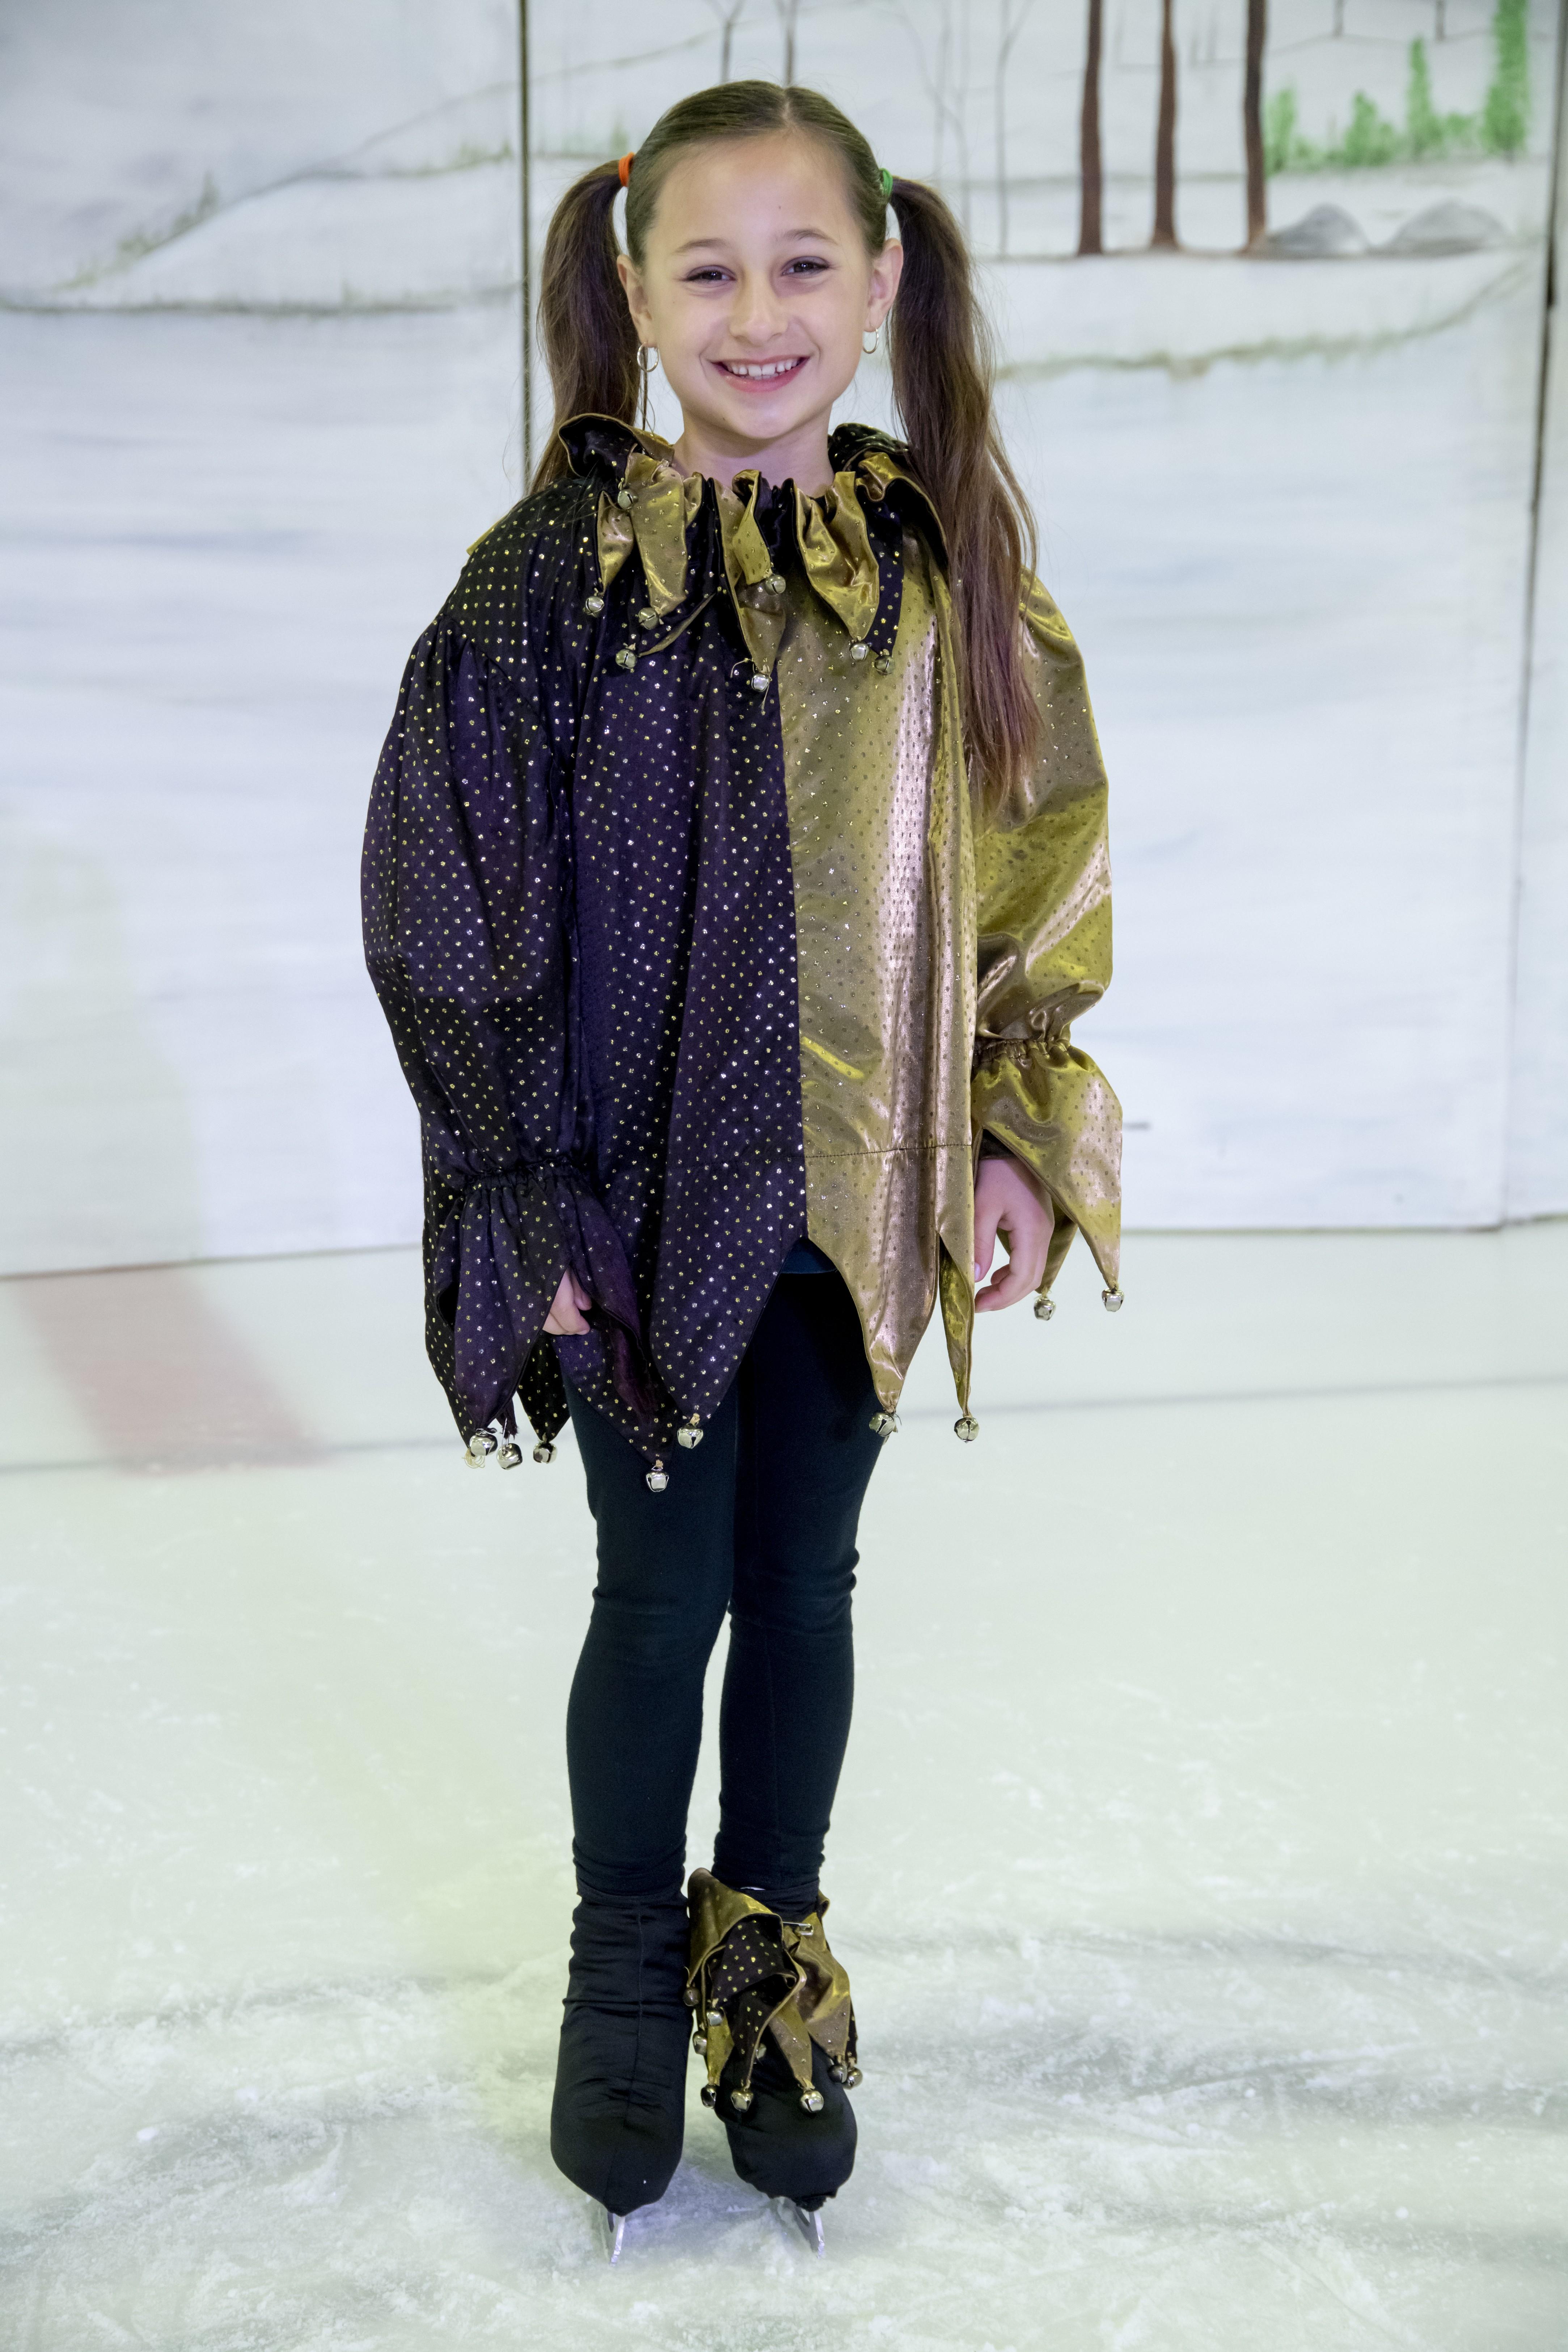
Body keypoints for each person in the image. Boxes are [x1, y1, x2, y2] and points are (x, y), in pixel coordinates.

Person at [362, 78, 1121, 2252]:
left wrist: (1013, 1119)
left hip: (857, 1202)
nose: (759, 313)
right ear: (635, 286)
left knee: (806, 1586)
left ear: (882, 285)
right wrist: (523, 1192)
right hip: (638, 1211)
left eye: (805, 266)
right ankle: (623, 1955)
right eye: (710, 269)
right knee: (661, 1587)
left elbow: (1029, 863)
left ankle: (768, 1947)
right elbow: (451, 889)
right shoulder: (552, 581)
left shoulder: (946, 575)